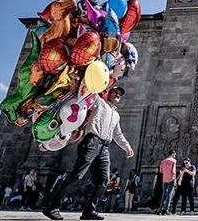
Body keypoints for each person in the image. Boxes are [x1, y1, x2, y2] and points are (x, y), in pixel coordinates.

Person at [42, 86, 134, 221]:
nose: (117, 95)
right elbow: (87, 93)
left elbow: (117, 134)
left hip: (104, 147)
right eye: (115, 92)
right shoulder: (98, 102)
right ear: (108, 93)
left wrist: (127, 147)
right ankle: (52, 206)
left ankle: (89, 211)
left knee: (103, 180)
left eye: (120, 94)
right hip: (92, 141)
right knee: (77, 175)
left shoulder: (116, 115)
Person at [158, 150, 177, 215]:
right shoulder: (173, 161)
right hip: (171, 179)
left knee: (164, 194)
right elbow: (173, 171)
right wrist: (175, 180)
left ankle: (160, 209)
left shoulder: (163, 161)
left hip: (164, 179)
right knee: (169, 194)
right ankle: (166, 210)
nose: (175, 156)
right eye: (174, 155)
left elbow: (161, 171)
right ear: (172, 154)